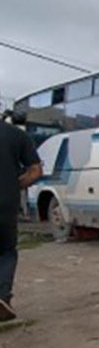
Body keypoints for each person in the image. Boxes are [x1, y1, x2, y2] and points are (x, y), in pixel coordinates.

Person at [0, 112, 43, 321]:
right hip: (6, 203)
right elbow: (35, 171)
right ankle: (2, 297)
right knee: (7, 251)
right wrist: (13, 187)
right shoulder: (17, 135)